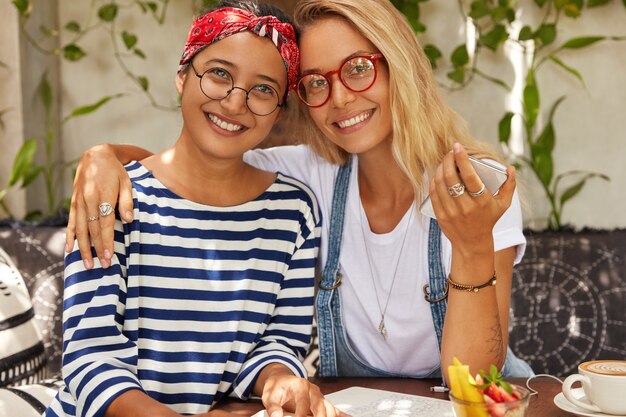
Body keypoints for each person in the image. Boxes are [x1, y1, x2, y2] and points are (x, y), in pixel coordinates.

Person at [66, 0, 534, 387]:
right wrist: (102, 156)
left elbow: (475, 383)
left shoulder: (477, 188)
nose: (340, 98)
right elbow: (191, 167)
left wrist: (472, 246)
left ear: (401, 66)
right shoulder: (307, 177)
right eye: (315, 82)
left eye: (357, 69)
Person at [46, 2, 339, 417]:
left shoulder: (293, 212)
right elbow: (90, 359)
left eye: (263, 89)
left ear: (278, 112)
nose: (236, 103)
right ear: (182, 76)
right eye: (220, 73)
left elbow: (276, 342)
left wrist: (278, 378)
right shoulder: (114, 194)